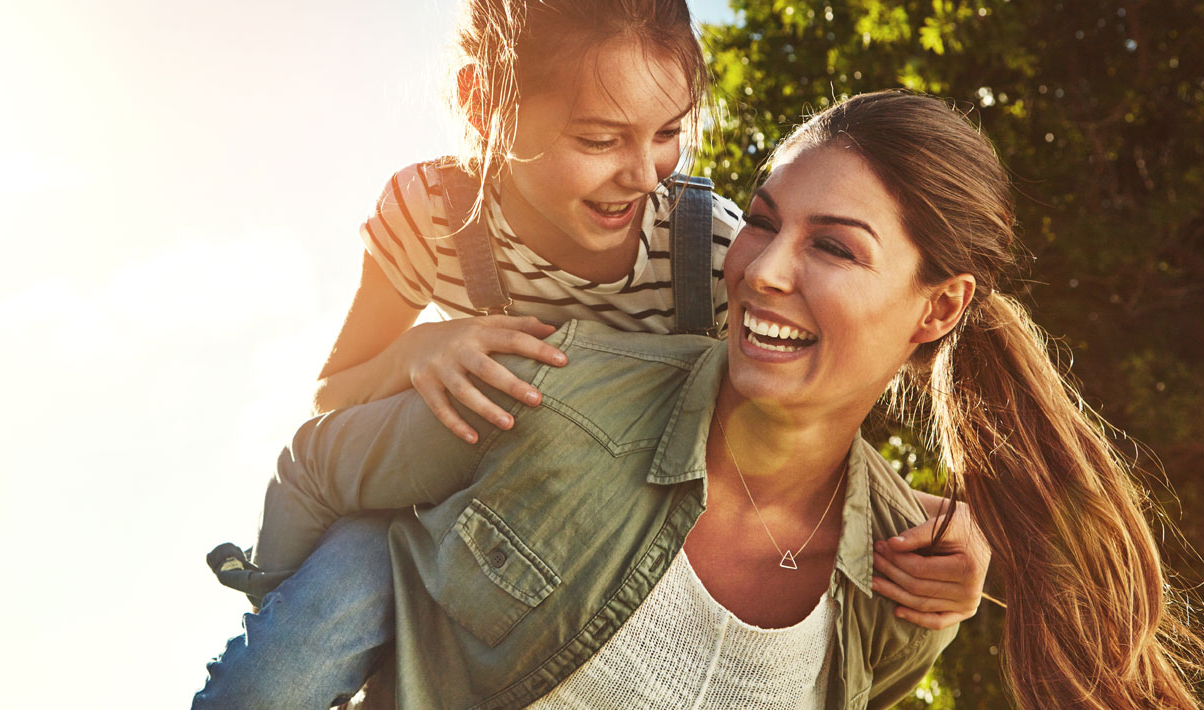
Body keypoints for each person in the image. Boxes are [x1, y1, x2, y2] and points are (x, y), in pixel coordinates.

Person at [200, 90, 1203, 710]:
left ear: (937, 307)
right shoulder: (554, 387)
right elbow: (320, 460)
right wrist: (289, 604)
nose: (763, 268)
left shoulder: (905, 582)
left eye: (833, 245)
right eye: (764, 223)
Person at [195, 2, 989, 706]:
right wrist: (426, 347)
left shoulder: (712, 252)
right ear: (485, 105)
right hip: (436, 501)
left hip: (597, 523)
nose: (643, 176)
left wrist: (924, 524)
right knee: (280, 669)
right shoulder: (434, 214)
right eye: (600, 138)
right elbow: (337, 393)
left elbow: (784, 428)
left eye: (670, 133)